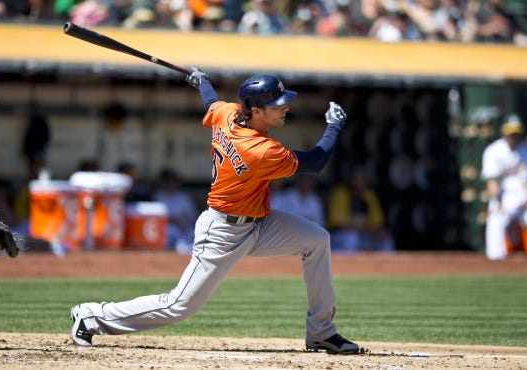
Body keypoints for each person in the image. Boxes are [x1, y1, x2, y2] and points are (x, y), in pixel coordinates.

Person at [69, 68, 360, 354]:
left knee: (317, 240)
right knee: (179, 306)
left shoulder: (229, 114)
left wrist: (202, 82)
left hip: (260, 224)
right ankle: (92, 315)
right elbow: (317, 161)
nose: (285, 108)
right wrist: (334, 125)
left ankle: (322, 332)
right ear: (257, 110)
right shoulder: (261, 150)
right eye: (277, 104)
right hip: (223, 231)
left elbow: (211, 103)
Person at [481, 114, 527, 260]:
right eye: (510, 133)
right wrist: (497, 202)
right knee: (496, 216)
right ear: (503, 132)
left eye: (516, 133)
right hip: (506, 196)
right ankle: (496, 259)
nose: (513, 136)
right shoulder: (493, 151)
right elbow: (492, 182)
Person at [327, 167, 395, 253]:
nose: (359, 187)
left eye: (361, 183)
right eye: (356, 183)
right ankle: (346, 266)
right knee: (351, 238)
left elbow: (378, 222)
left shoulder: (369, 195)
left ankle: (386, 266)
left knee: (386, 238)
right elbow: (338, 223)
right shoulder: (340, 194)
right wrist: (365, 228)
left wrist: (375, 232)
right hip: (339, 237)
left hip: (364, 235)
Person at [153, 168, 198, 254]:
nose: (170, 183)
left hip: (184, 227)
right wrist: (174, 221)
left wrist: (183, 223)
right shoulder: (158, 196)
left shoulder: (184, 197)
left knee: (194, 233)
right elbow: (157, 217)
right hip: (168, 227)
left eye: (172, 180)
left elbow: (192, 216)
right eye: (168, 180)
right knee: (169, 232)